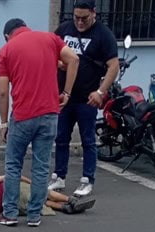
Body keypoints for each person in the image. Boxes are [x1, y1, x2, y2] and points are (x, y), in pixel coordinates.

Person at [0, 18, 79, 227]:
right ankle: (34, 215)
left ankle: (10, 213)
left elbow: (3, 91)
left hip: (23, 115)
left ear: (7, 35)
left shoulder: (6, 50)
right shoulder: (50, 39)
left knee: (13, 165)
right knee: (41, 167)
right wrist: (66, 92)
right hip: (50, 113)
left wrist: (4, 123)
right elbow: (73, 59)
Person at [48, 0, 119, 196]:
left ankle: (87, 179)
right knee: (61, 138)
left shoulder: (103, 35)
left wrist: (100, 92)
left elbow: (114, 66)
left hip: (87, 97)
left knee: (88, 140)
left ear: (94, 13)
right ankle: (59, 176)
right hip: (64, 96)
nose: (79, 22)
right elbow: (49, 52)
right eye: (76, 18)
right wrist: (59, 63)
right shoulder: (63, 29)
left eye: (84, 18)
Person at [0, 175, 95, 215]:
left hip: (15, 206)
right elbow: (11, 176)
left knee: (40, 202)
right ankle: (70, 200)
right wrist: (32, 182)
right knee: (44, 193)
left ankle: (63, 208)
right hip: (14, 191)